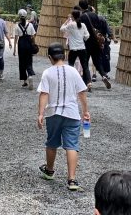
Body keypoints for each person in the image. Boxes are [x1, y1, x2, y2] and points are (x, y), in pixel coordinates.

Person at [37, 42, 90, 192]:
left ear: (49, 58)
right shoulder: (73, 71)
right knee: (72, 145)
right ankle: (72, 179)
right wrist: (85, 111)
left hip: (53, 113)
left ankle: (50, 170)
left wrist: (40, 113)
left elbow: (44, 94)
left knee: (52, 143)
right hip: (72, 113)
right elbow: (82, 93)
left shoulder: (47, 72)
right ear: (64, 55)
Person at [79, 0, 112, 89]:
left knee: (85, 62)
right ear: (88, 5)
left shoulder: (81, 17)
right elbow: (98, 27)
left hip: (86, 43)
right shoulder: (94, 15)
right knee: (97, 61)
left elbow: (80, 30)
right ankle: (104, 75)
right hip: (96, 42)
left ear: (80, 7)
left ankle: (88, 82)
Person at [61, 6, 91, 87]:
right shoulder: (83, 25)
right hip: (82, 48)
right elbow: (87, 36)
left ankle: (70, 82)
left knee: (70, 65)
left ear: (73, 16)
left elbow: (61, 29)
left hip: (73, 49)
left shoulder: (70, 25)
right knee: (85, 66)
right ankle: (89, 82)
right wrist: (82, 39)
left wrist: (67, 20)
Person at [13, 8, 37, 89]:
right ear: (26, 16)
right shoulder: (30, 25)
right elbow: (33, 36)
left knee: (22, 62)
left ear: (19, 16)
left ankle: (25, 81)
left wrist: (14, 50)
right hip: (28, 43)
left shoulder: (17, 26)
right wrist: (33, 44)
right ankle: (30, 75)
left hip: (21, 44)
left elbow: (16, 38)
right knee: (29, 60)